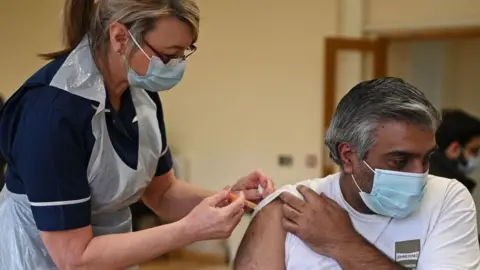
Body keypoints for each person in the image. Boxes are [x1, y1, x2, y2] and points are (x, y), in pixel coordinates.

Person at [0, 1, 275, 269]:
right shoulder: (52, 114)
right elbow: (75, 257)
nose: (176, 66)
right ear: (120, 37)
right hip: (40, 259)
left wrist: (233, 198)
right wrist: (189, 230)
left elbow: (163, 193)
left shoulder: (141, 93)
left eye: (184, 53)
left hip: (110, 256)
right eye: (168, 56)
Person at [234, 77, 480, 270]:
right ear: (349, 156)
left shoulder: (448, 199)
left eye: (427, 157)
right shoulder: (287, 210)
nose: (419, 174)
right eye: (400, 161)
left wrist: (343, 242)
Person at [429, 109, 480, 193]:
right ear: (454, 149)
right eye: (474, 150)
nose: (477, 156)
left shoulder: (427, 172)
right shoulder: (448, 188)